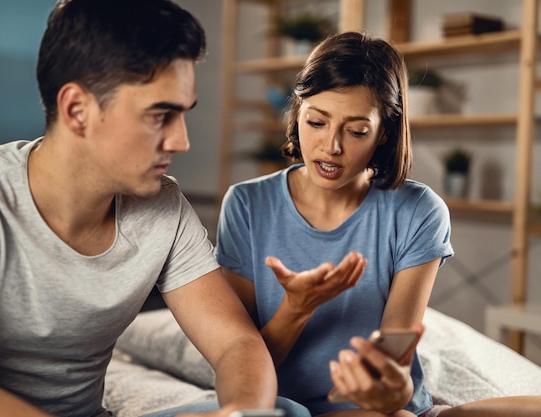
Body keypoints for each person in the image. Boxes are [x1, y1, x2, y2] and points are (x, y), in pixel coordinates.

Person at [0, 1, 308, 416]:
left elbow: (236, 343)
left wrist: (241, 413)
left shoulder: (164, 208)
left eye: (183, 114)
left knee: (281, 410)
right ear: (77, 111)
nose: (181, 141)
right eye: (161, 115)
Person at [215, 31, 541, 417]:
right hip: (281, 405)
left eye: (356, 131)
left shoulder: (418, 211)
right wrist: (296, 309)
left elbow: (393, 363)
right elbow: (241, 364)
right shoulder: (247, 204)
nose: (331, 146)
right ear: (297, 112)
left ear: (384, 132)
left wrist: (390, 391)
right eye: (316, 122)